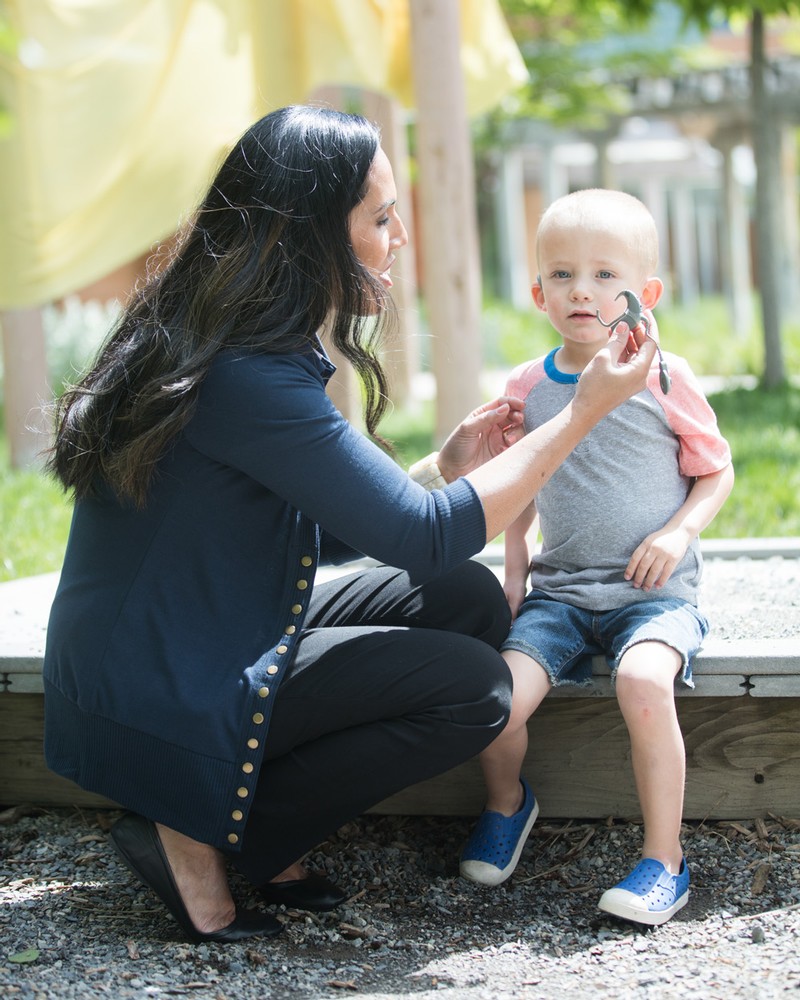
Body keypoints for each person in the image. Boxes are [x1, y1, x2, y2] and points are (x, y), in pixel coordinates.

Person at [43, 110, 656, 946]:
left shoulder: (235, 342)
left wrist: (444, 471)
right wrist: (583, 412)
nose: (398, 236)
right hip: (168, 690)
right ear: (308, 234)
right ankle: (204, 835)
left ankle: (240, 825)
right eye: (378, 217)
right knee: (473, 687)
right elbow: (424, 535)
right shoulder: (247, 374)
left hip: (179, 641)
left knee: (466, 600)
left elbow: (320, 527)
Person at [459, 188, 734, 927]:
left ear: (644, 294)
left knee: (644, 680)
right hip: (560, 598)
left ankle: (664, 860)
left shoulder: (663, 374)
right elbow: (518, 493)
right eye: (561, 274)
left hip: (654, 597)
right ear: (536, 290)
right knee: (497, 702)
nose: (582, 290)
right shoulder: (528, 386)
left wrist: (677, 532)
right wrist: (514, 581)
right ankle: (508, 804)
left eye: (606, 275)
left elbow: (717, 470)